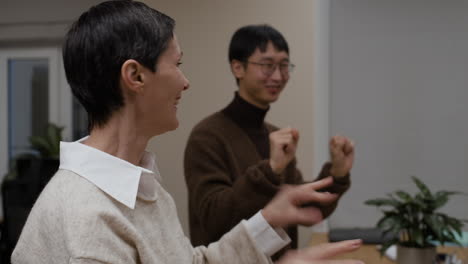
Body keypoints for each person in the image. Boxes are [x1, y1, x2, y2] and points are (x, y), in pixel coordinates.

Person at [11, 1, 363, 263]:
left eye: (284, 66)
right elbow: (213, 217)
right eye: (176, 65)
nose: (185, 81)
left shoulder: (142, 185)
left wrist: (270, 220)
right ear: (135, 76)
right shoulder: (87, 221)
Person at [184, 24, 355, 257]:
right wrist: (271, 170)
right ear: (237, 67)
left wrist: (337, 174)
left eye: (284, 66)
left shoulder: (275, 135)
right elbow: (214, 220)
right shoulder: (207, 136)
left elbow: (305, 210)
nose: (278, 76)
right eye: (267, 65)